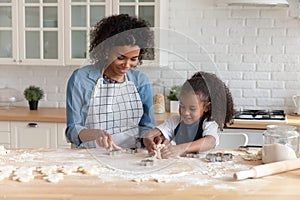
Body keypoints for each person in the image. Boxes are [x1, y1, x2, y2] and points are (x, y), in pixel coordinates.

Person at [65, 14, 156, 150]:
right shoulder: (81, 79)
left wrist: (151, 139)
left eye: (133, 59)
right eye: (120, 57)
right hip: (89, 156)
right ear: (106, 50)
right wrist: (95, 134)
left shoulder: (140, 81)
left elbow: (147, 126)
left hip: (130, 156)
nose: (126, 65)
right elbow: (72, 130)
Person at [143, 71, 234, 158]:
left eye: (192, 108)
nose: (185, 112)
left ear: (206, 107)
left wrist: (181, 148)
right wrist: (151, 143)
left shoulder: (209, 123)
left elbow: (210, 141)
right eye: (182, 106)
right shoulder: (175, 122)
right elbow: (149, 135)